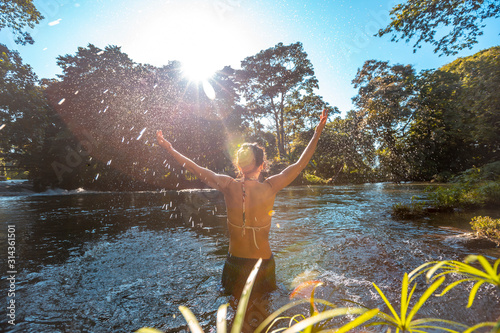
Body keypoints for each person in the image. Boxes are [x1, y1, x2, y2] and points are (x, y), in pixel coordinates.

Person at [156, 109, 328, 297]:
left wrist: (169, 148)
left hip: (235, 264)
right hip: (263, 264)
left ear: (238, 166)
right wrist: (317, 132)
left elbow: (194, 168)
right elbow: (301, 163)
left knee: (233, 321)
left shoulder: (228, 185)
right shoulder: (270, 187)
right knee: (265, 318)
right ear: (262, 165)